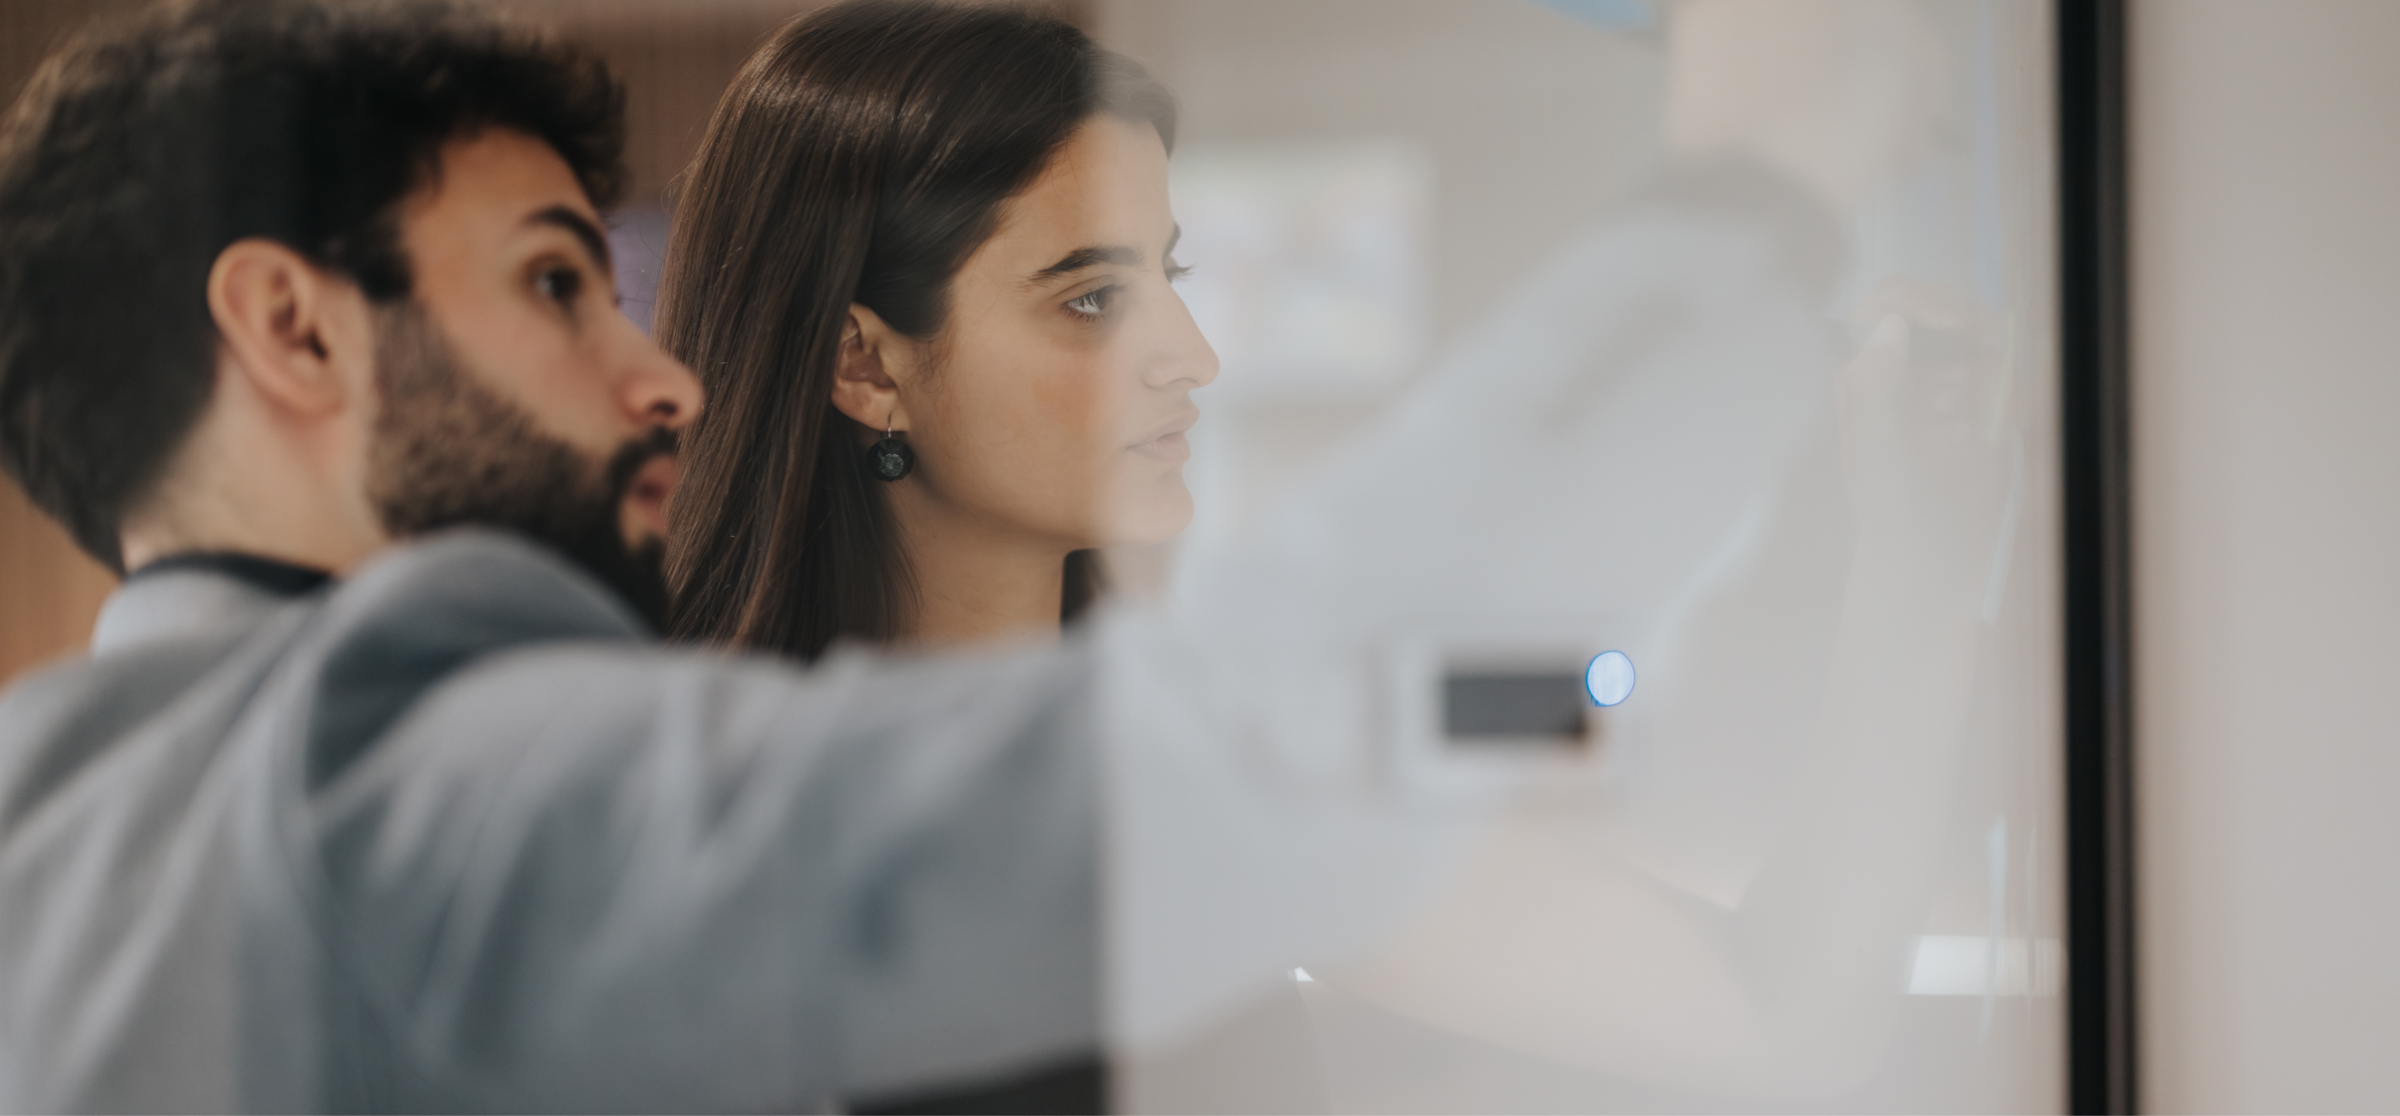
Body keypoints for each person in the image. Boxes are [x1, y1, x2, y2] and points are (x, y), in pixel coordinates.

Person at [0, 1, 1113, 1109]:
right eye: (553, 284)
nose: (667, 385)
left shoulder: (48, 813)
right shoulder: (397, 769)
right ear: (295, 327)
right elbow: (1073, 806)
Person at [658, 2, 1217, 660]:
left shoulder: (1198, 738)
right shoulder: (687, 755)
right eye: (1095, 298)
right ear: (862, 366)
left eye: (1170, 271)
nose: (1195, 360)